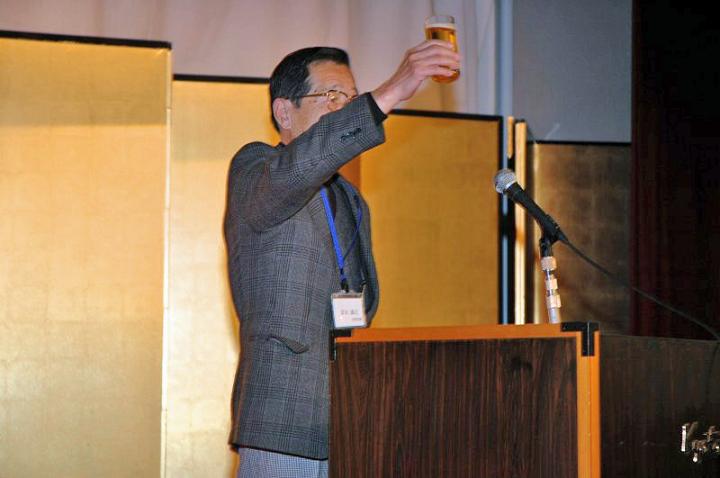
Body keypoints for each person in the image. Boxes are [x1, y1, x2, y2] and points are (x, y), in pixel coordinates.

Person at [223, 40, 460, 477]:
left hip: (351, 421)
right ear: (284, 112)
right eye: (332, 96)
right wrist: (387, 94)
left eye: (351, 99)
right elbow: (299, 169)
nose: (344, 108)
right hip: (283, 421)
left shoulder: (350, 198)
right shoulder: (256, 169)